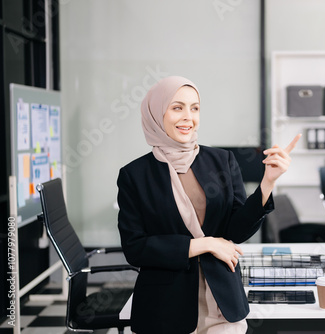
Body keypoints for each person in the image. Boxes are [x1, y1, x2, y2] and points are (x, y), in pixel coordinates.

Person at [117, 76, 301, 333]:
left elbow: (236, 232)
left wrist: (267, 184)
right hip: (165, 310)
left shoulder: (222, 160)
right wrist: (207, 244)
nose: (188, 117)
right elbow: (136, 248)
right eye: (177, 107)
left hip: (222, 303)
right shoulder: (134, 175)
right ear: (156, 113)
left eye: (195, 108)